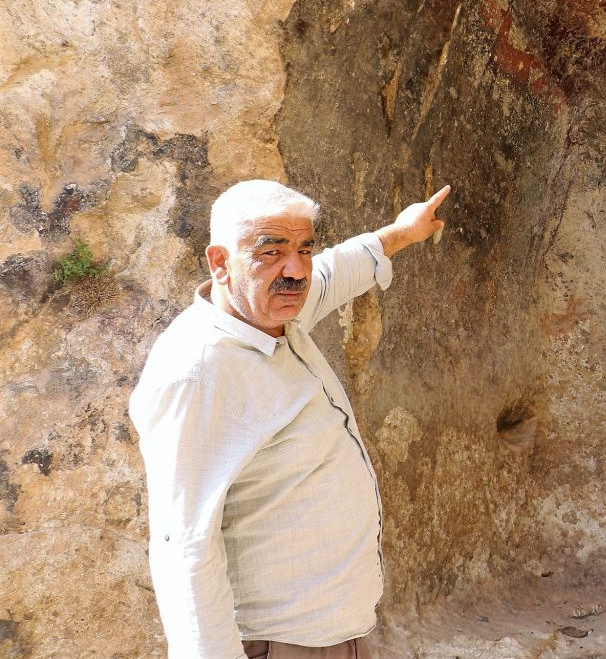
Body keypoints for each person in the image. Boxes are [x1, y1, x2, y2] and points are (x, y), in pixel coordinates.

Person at [129, 179, 452, 658]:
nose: (296, 271)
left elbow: (336, 270)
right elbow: (184, 544)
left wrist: (403, 232)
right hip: (278, 643)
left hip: (332, 630)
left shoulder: (277, 313)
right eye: (270, 251)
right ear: (220, 263)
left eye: (304, 248)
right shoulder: (198, 373)